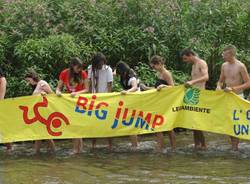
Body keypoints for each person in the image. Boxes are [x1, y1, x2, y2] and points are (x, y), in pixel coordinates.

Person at [216, 45, 250, 151]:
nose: (222, 56)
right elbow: (221, 80)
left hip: (237, 97)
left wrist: (233, 88)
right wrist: (218, 86)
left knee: (236, 122)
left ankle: (235, 147)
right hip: (226, 97)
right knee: (229, 122)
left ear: (231, 54)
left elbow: (248, 83)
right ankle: (233, 146)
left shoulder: (240, 66)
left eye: (224, 54)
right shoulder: (224, 65)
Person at [56, 57, 89, 154]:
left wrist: (77, 93)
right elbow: (58, 88)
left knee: (76, 126)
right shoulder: (64, 73)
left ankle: (76, 150)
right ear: (73, 66)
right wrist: (58, 92)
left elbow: (87, 89)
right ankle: (79, 149)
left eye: (80, 67)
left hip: (80, 103)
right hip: (69, 103)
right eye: (78, 67)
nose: (79, 69)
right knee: (73, 125)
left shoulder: (83, 73)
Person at [180, 48, 209, 150]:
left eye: (185, 58)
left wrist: (192, 82)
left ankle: (204, 145)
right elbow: (195, 81)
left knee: (198, 122)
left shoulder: (201, 63)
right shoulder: (193, 66)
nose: (185, 61)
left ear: (191, 55)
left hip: (200, 96)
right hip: (193, 95)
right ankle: (197, 144)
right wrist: (189, 82)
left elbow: (206, 77)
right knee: (193, 122)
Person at [24, 71, 56, 154]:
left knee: (44, 134)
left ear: (32, 77)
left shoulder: (42, 83)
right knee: (39, 134)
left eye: (28, 80)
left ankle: (51, 151)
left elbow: (52, 95)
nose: (28, 83)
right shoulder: (35, 87)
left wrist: (44, 94)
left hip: (44, 112)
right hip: (38, 113)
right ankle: (40, 152)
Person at [149, 56, 176, 151]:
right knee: (159, 124)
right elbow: (157, 88)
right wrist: (146, 88)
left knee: (167, 126)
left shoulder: (166, 73)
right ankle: (160, 146)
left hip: (167, 103)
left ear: (159, 64)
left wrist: (164, 85)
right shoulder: (159, 74)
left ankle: (172, 147)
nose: (154, 68)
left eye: (154, 66)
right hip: (159, 102)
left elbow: (173, 88)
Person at [88, 53, 113, 150]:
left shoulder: (108, 70)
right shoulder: (90, 69)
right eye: (99, 63)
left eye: (103, 63)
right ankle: (93, 145)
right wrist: (89, 98)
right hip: (94, 99)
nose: (101, 65)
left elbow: (110, 86)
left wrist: (109, 100)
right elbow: (90, 84)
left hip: (105, 100)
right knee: (94, 124)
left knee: (107, 123)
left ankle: (110, 145)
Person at [115, 61, 139, 148]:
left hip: (135, 100)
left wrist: (126, 92)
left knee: (131, 122)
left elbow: (135, 87)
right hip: (128, 100)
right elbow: (114, 73)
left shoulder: (131, 76)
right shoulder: (124, 74)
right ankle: (134, 144)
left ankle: (135, 145)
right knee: (128, 122)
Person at [0, 68, 12, 153]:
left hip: (1, 105)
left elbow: (3, 81)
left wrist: (1, 102)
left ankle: (10, 148)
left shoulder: (2, 79)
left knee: (3, 127)